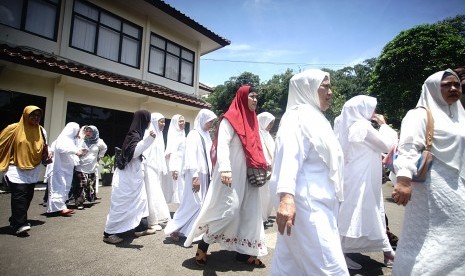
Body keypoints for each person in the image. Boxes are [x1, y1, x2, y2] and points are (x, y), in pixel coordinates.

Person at [269, 69, 349, 275]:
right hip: (306, 206)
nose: (330, 92)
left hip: (320, 204)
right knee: (330, 267)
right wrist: (286, 197)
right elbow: (289, 156)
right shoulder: (296, 116)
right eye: (325, 86)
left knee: (290, 264)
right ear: (308, 88)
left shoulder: (317, 117)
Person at [184, 85, 268, 268]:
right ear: (242, 98)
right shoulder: (230, 119)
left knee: (250, 213)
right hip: (230, 174)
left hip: (249, 175)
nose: (255, 100)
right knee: (230, 210)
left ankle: (243, 253)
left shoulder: (252, 120)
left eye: (256, 97)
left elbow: (256, 147)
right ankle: (204, 243)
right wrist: (225, 170)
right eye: (251, 96)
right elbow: (222, 145)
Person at [391, 69, 465, 275]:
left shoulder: (460, 116)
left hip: (458, 187)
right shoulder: (419, 115)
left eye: (456, 84)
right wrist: (403, 181)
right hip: (432, 188)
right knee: (427, 238)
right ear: (433, 88)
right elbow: (407, 148)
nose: (453, 88)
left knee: (458, 238)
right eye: (446, 85)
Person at [334, 95, 398, 269]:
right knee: (356, 213)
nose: (374, 112)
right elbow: (386, 145)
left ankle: (386, 251)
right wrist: (384, 125)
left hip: (355, 176)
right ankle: (339, 253)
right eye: (371, 108)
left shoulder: (345, 124)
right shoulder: (362, 126)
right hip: (361, 179)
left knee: (357, 213)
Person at [103, 110, 156, 244]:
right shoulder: (133, 134)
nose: (149, 123)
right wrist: (149, 140)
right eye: (148, 119)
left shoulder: (138, 134)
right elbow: (133, 153)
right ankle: (109, 233)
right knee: (122, 206)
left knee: (141, 202)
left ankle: (139, 227)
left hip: (134, 179)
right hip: (127, 181)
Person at [164, 109, 217, 242]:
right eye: (210, 121)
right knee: (192, 203)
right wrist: (195, 176)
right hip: (196, 174)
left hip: (205, 174)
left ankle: (190, 230)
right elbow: (191, 156)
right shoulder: (194, 135)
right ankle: (174, 228)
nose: (211, 124)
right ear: (203, 120)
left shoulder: (205, 134)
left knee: (201, 204)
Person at [0, 106, 52, 235]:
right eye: (32, 115)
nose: (35, 118)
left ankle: (15, 220)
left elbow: (44, 145)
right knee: (20, 195)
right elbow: (2, 143)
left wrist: (48, 152)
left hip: (33, 167)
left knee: (28, 196)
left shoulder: (41, 130)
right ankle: (20, 224)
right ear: (25, 115)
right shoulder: (13, 128)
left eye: (38, 115)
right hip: (16, 167)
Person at [46, 122, 84, 216]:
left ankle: (57, 208)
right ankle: (59, 208)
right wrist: (75, 151)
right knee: (58, 187)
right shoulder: (63, 138)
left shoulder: (72, 140)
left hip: (67, 168)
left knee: (64, 187)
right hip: (58, 168)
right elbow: (60, 148)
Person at [143, 113, 171, 231]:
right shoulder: (149, 133)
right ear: (154, 121)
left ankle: (157, 218)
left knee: (156, 194)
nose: (163, 124)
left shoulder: (159, 135)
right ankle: (152, 221)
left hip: (156, 169)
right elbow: (145, 151)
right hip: (149, 168)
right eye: (161, 121)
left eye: (164, 121)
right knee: (152, 194)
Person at [72, 125, 107, 210]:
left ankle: (88, 198)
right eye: (86, 131)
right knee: (81, 185)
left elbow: (104, 148)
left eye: (90, 131)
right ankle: (79, 202)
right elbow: (74, 149)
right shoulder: (81, 140)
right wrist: (79, 152)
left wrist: (100, 157)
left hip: (91, 168)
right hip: (80, 167)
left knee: (89, 185)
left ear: (94, 132)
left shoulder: (99, 141)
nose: (87, 133)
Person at [257, 112, 276, 229]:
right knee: (262, 196)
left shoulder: (267, 135)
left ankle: (265, 217)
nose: (270, 125)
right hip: (262, 169)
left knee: (269, 196)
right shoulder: (257, 135)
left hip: (271, 169)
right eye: (269, 123)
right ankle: (260, 220)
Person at [164, 114, 186, 204]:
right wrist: (174, 169)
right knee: (177, 186)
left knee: (182, 186)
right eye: (180, 121)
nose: (183, 123)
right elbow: (173, 153)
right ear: (175, 123)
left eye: (183, 121)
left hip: (183, 165)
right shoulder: (174, 136)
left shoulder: (183, 134)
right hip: (176, 165)